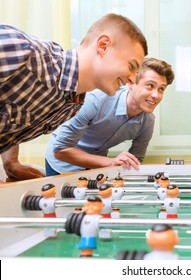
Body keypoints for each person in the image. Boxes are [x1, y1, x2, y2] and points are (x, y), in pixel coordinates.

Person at [0, 13, 148, 183]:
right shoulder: (22, 50)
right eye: (131, 66)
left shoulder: (73, 104)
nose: (132, 79)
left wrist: (11, 162)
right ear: (103, 45)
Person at [45, 58, 174, 175]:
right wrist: (110, 162)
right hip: (62, 164)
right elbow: (60, 149)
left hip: (98, 168)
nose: (156, 95)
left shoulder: (148, 122)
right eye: (150, 86)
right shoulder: (94, 101)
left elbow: (136, 159)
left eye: (161, 89)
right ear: (131, 83)